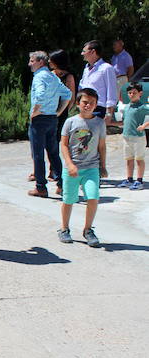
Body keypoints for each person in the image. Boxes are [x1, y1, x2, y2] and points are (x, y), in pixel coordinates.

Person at [58, 88, 107, 247]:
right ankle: (64, 228)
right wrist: (69, 164)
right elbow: (64, 145)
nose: (88, 105)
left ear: (96, 105)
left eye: (92, 103)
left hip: (91, 167)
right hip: (73, 168)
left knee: (93, 197)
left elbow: (102, 146)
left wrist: (103, 166)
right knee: (69, 199)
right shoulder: (70, 122)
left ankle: (88, 230)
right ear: (78, 103)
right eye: (85, 102)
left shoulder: (99, 123)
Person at [27, 51, 70, 197]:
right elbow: (67, 94)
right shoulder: (53, 76)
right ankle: (61, 184)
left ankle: (41, 187)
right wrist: (58, 111)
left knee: (38, 154)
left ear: (40, 62)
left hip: (40, 120)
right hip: (52, 118)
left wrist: (36, 111)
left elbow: (40, 94)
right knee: (53, 152)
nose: (30, 64)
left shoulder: (39, 77)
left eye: (32, 61)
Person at [107, 83, 147, 190]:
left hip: (138, 137)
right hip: (126, 136)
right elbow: (124, 122)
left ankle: (139, 180)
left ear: (140, 93)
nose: (132, 94)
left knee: (139, 159)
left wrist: (144, 125)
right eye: (130, 93)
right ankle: (129, 179)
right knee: (129, 158)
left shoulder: (142, 107)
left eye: (134, 92)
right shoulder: (127, 107)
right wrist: (110, 123)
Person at [79, 40, 117, 122]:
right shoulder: (86, 69)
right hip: (84, 108)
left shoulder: (106, 68)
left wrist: (109, 113)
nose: (82, 54)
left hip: (98, 109)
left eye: (84, 51)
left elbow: (112, 91)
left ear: (93, 52)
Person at [49, 50, 77, 141]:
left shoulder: (68, 77)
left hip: (62, 109)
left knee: (57, 136)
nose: (49, 61)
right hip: (49, 107)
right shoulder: (50, 74)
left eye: (51, 60)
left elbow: (71, 97)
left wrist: (67, 111)